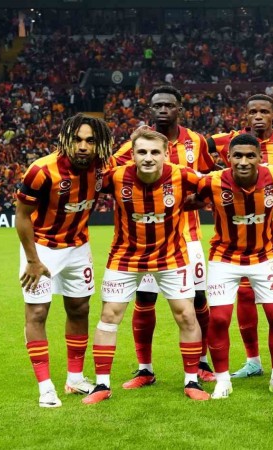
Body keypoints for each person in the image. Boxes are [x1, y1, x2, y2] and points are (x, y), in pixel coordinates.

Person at [82, 126, 209, 404]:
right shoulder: (117, 177)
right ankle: (102, 385)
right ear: (133, 155)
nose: (148, 157)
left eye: (154, 152)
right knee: (109, 316)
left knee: (187, 315)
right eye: (141, 152)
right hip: (125, 257)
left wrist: (189, 204)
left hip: (171, 257)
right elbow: (83, 179)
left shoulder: (182, 175)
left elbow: (214, 186)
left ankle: (191, 380)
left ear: (165, 154)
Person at [112, 85, 217, 388]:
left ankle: (201, 363)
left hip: (188, 236)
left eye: (168, 105)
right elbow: (111, 172)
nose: (162, 110)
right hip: (147, 240)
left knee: (198, 300)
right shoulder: (137, 144)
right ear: (150, 109)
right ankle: (144, 369)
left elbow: (209, 179)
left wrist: (193, 202)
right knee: (145, 299)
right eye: (157, 105)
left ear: (179, 109)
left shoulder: (196, 141)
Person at [207, 94, 273, 379]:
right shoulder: (229, 140)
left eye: (264, 111)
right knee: (244, 294)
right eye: (253, 111)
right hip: (241, 224)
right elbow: (192, 144)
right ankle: (253, 360)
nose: (258, 116)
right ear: (246, 114)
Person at [15, 113, 113, 408]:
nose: (83, 146)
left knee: (80, 308)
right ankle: (45, 387)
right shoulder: (41, 170)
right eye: (77, 140)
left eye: (90, 141)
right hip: (41, 248)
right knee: (37, 313)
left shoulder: (103, 167)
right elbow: (22, 215)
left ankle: (75, 378)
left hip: (78, 247)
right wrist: (32, 260)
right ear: (65, 140)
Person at [195, 133, 273, 399]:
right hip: (224, 258)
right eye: (237, 156)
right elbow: (187, 197)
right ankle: (223, 380)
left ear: (260, 157)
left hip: (266, 256)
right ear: (228, 157)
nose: (244, 161)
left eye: (250, 156)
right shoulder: (212, 181)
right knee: (219, 319)